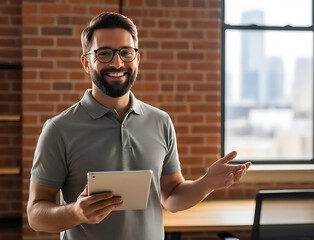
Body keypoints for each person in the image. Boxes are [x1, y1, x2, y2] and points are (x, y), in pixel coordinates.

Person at [26, 12, 252, 240]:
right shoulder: (59, 129)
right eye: (104, 53)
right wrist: (76, 212)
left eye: (126, 52)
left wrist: (207, 183)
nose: (117, 62)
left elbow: (172, 196)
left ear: (137, 59)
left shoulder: (160, 121)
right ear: (86, 63)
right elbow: (36, 214)